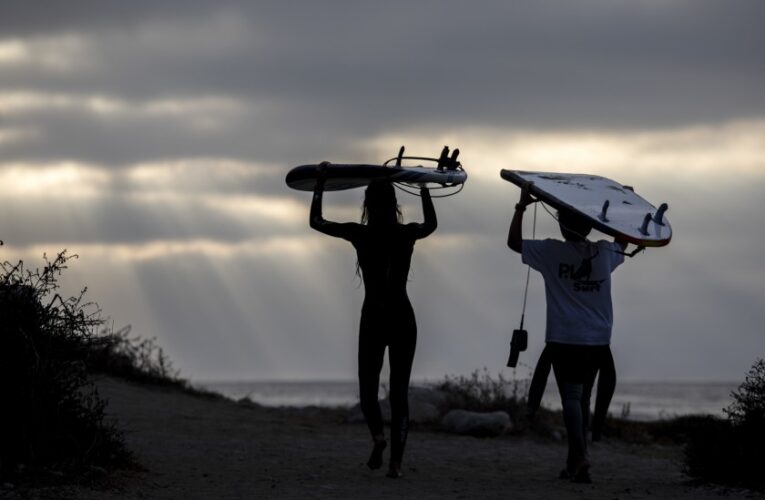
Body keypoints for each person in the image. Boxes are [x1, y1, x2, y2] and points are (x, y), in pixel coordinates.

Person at [310, 167, 437, 478]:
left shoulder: (360, 234)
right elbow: (432, 224)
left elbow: (317, 222)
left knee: (368, 391)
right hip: (403, 317)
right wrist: (423, 187)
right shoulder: (407, 234)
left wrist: (321, 183)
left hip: (374, 319)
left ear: (366, 205)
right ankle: (396, 465)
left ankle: (378, 438)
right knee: (399, 395)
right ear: (395, 204)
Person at [508, 182, 626, 483]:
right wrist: (625, 204)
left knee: (572, 397)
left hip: (565, 339)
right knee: (583, 398)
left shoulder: (550, 250)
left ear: (562, 224)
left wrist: (522, 205)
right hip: (599, 341)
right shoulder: (604, 252)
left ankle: (582, 457)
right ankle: (575, 463)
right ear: (589, 226)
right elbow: (623, 241)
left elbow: (513, 242)